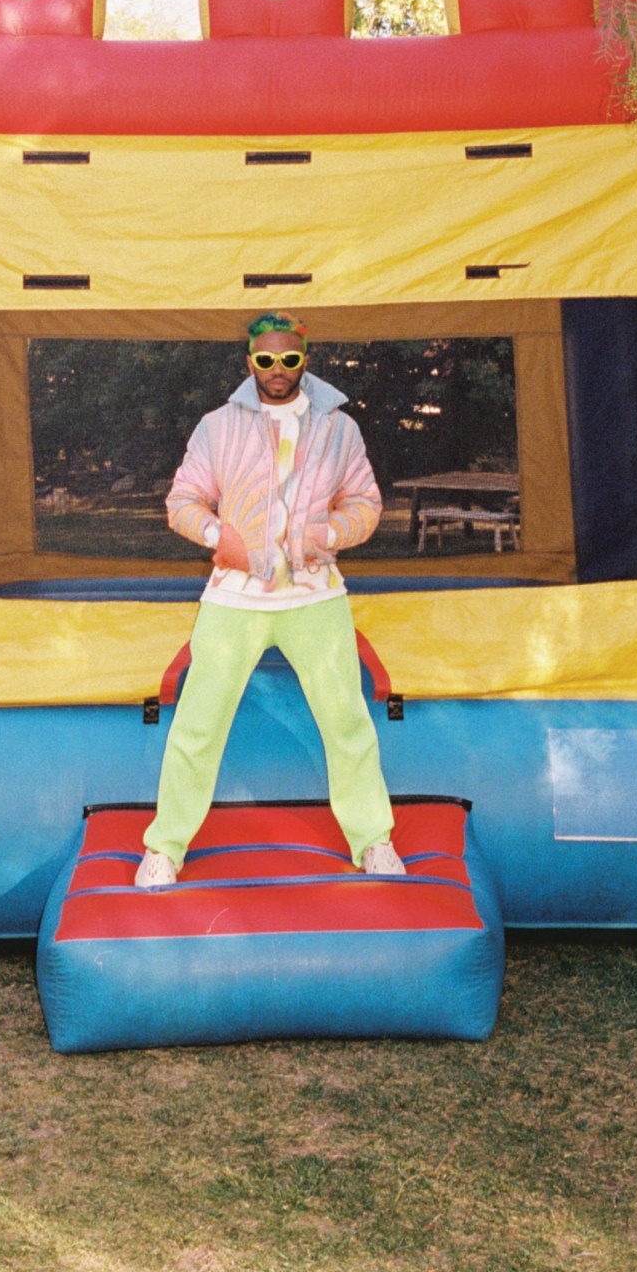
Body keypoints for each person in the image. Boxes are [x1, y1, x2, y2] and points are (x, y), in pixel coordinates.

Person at [134, 313, 405, 887]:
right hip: (234, 598)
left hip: (315, 596)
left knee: (347, 721)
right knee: (198, 725)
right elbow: (183, 500)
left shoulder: (340, 428)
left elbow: (365, 503)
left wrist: (327, 536)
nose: (277, 370)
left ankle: (373, 840)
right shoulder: (216, 426)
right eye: (265, 359)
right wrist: (218, 537)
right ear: (248, 362)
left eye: (289, 358)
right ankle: (165, 848)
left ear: (304, 359)